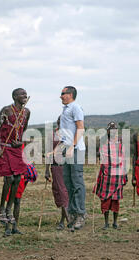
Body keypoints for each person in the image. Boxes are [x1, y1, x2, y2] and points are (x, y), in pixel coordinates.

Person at [0, 88, 31, 228]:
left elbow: (23, 130)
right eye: (22, 94)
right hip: (4, 147)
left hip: (16, 149)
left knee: (18, 178)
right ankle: (1, 207)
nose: (25, 96)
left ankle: (9, 208)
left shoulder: (27, 112)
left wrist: (21, 142)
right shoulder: (6, 110)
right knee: (8, 178)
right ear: (14, 96)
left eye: (26, 94)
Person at [58, 86, 86, 231]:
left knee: (77, 183)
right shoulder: (66, 109)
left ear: (70, 94)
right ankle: (73, 214)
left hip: (75, 150)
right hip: (67, 150)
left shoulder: (75, 107)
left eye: (63, 94)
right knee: (68, 183)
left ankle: (81, 214)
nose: (60, 96)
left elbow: (80, 128)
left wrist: (72, 146)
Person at [93, 121, 127, 230]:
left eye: (114, 130)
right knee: (105, 200)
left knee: (115, 200)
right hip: (106, 176)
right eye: (111, 129)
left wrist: (125, 174)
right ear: (107, 131)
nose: (113, 132)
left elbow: (124, 158)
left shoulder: (120, 143)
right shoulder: (104, 143)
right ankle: (106, 223)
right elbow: (99, 156)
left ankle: (115, 222)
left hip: (117, 175)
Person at [45, 116, 70, 230]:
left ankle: (67, 221)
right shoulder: (52, 135)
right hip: (55, 168)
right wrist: (46, 170)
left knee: (63, 193)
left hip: (66, 167)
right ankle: (63, 220)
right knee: (58, 192)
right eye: (60, 121)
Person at [4, 162, 37, 236]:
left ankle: (14, 227)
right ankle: (7, 228)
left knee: (17, 200)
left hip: (22, 172)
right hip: (11, 172)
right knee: (10, 200)